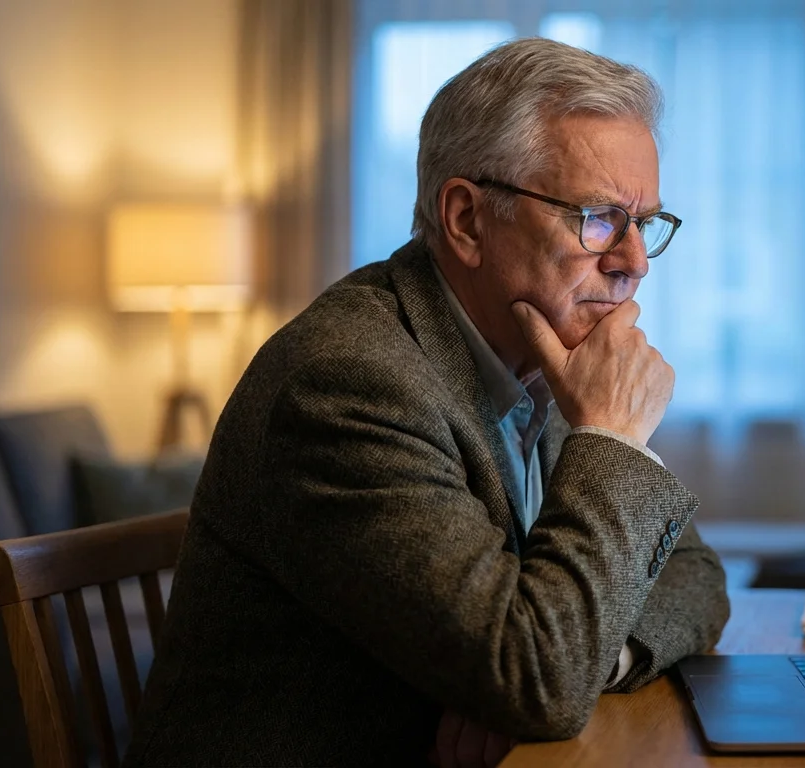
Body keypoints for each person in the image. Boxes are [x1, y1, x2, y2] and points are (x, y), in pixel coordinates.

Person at [124, 37, 730, 768]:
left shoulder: (548, 358)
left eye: (644, 223)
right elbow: (536, 681)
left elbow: (696, 577)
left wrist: (591, 659)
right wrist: (610, 440)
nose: (633, 261)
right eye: (598, 216)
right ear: (468, 220)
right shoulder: (346, 383)